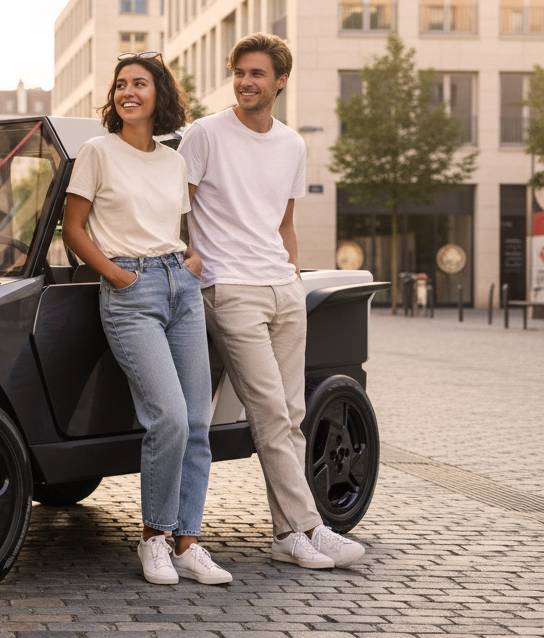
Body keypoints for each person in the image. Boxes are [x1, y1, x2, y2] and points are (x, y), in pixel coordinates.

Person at [177, 32, 366, 568]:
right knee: (268, 412)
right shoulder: (204, 135)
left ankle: (289, 534)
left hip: (282, 286)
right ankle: (309, 527)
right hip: (229, 287)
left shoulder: (292, 144)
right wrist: (191, 259)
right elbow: (177, 207)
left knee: (292, 413)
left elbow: (285, 222)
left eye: (257, 74)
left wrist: (294, 277)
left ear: (280, 81)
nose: (246, 83)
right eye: (240, 73)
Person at [63, 52, 232, 585]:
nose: (127, 92)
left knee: (199, 422)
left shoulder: (172, 159)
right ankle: (154, 538)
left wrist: (192, 256)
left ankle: (189, 542)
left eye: (139, 83)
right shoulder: (97, 151)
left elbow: (177, 225)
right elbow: (74, 229)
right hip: (131, 294)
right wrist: (116, 275)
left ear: (159, 94)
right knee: (170, 418)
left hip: (179, 287)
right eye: (120, 85)